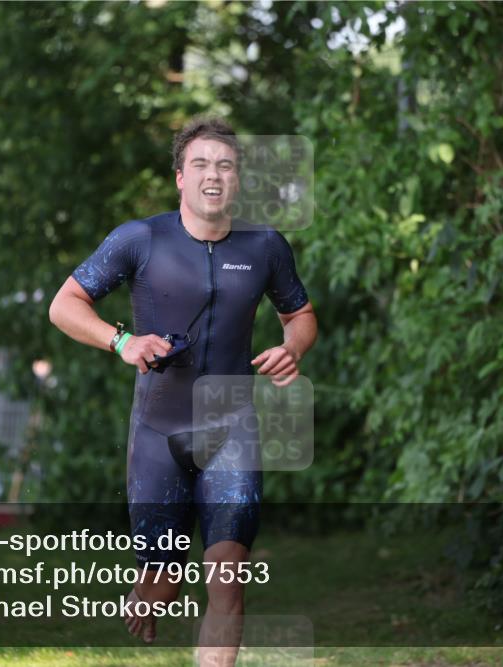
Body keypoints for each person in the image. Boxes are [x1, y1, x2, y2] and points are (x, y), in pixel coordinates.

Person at [48, 116, 317, 664]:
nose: (212, 175)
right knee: (163, 583)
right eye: (200, 164)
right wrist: (121, 341)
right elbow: (64, 305)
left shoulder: (265, 246)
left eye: (224, 165)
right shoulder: (140, 239)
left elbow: (302, 315)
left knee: (228, 580)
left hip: (231, 431)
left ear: (238, 179)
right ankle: (145, 596)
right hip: (158, 432)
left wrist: (294, 347)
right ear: (179, 177)